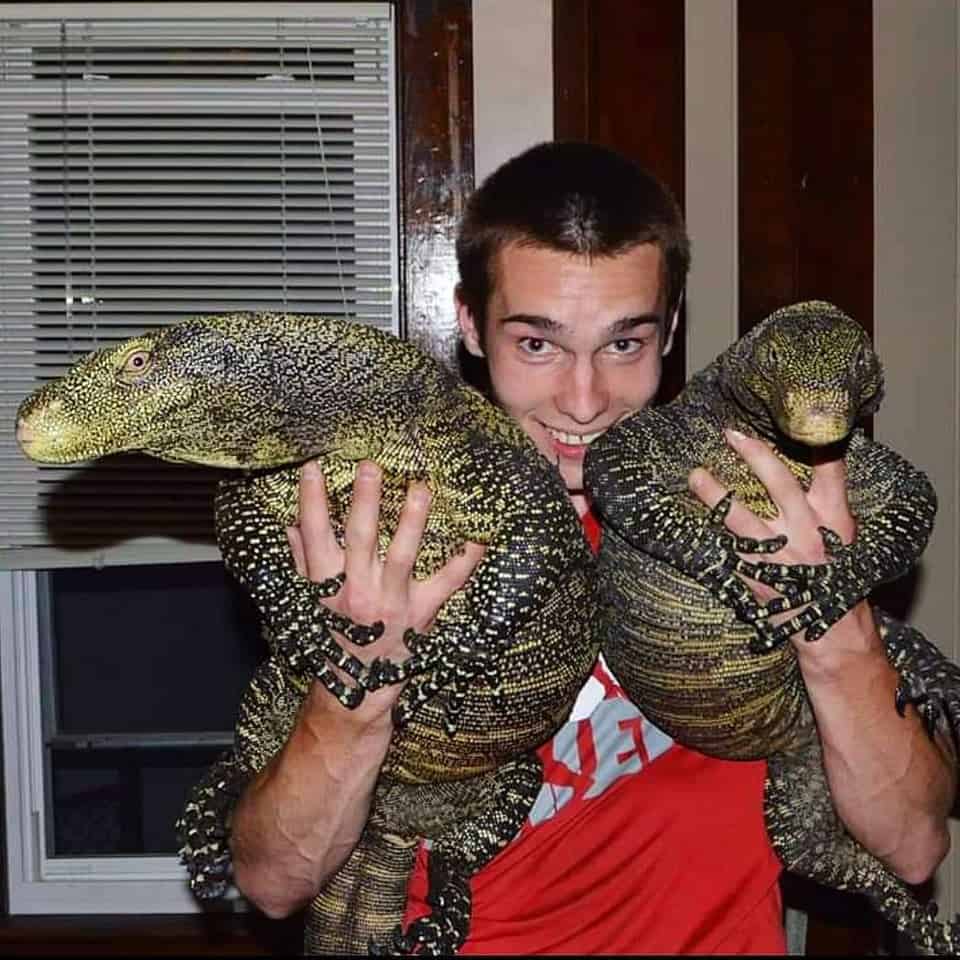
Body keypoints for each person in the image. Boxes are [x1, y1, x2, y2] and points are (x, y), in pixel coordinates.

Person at [228, 142, 956, 954]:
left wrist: (834, 628)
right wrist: (357, 687)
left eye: (623, 344)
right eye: (538, 344)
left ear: (671, 328)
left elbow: (915, 845)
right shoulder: (387, 536)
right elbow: (275, 882)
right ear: (470, 323)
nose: (583, 400)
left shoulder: (763, 513)